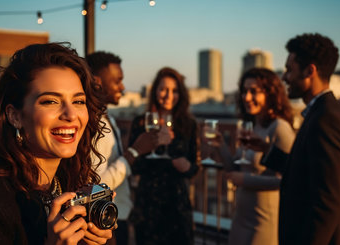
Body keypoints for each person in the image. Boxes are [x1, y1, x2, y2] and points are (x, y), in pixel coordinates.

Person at [0, 43, 114, 244]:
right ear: (15, 116)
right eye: (50, 101)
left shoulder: (69, 186)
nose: (71, 115)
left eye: (78, 101)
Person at [271, 33, 340, 244]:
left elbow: (328, 201)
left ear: (310, 71)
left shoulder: (327, 118)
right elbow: (311, 172)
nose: (284, 78)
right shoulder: (322, 112)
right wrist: (267, 153)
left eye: (289, 70)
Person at [209, 68, 295, 245]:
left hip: (264, 223)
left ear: (270, 93)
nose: (246, 97)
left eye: (254, 91)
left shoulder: (279, 128)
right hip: (240, 219)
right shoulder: (253, 125)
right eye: (244, 91)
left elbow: (289, 180)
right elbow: (234, 169)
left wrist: (244, 179)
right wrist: (220, 145)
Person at [85, 51, 157, 245]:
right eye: (117, 81)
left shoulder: (108, 117)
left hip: (117, 215)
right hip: (105, 221)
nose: (123, 87)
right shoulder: (92, 125)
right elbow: (96, 186)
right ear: (97, 81)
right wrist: (134, 152)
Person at [128, 67, 199, 245]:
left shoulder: (188, 125)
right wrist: (153, 145)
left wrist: (186, 165)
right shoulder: (141, 122)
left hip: (177, 204)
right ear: (155, 92)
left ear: (181, 94)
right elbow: (133, 165)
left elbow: (194, 167)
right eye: (163, 89)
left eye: (174, 90)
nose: (168, 95)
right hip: (148, 205)